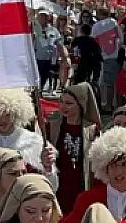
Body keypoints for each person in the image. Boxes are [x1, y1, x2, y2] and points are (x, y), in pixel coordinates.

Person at [43, 82, 103, 215]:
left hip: (81, 183)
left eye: (69, 104)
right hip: (59, 183)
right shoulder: (52, 126)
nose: (63, 106)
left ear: (80, 105)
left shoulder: (92, 129)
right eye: (62, 102)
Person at [0, 88, 59, 179]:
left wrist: (47, 168)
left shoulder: (34, 142)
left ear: (16, 113)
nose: (2, 120)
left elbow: (52, 186)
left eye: (7, 114)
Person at [33, 11, 63, 90]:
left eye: (45, 16)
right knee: (36, 78)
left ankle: (40, 91)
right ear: (38, 17)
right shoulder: (33, 29)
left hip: (48, 59)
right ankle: (36, 93)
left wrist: (65, 56)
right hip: (36, 58)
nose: (43, 18)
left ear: (48, 17)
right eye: (41, 16)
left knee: (44, 77)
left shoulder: (53, 30)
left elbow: (59, 43)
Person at [69, 22, 102, 88]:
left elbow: (71, 48)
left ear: (81, 31)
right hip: (91, 62)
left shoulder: (77, 39)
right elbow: (98, 51)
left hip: (80, 62)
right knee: (88, 79)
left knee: (78, 79)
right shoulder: (93, 41)